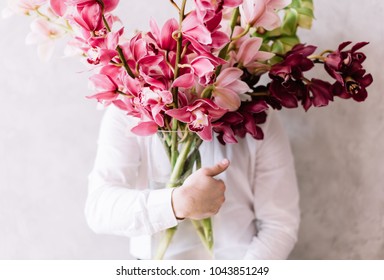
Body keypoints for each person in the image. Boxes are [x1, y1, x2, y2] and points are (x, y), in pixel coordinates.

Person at [85, 105, 300, 259]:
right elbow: (99, 209)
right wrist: (176, 204)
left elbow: (280, 224)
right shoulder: (127, 110)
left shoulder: (258, 115)